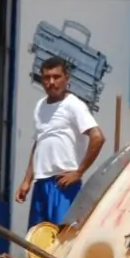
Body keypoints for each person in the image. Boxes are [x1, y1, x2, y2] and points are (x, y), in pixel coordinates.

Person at [16, 56, 105, 229]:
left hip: (64, 184)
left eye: (56, 77)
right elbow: (39, 143)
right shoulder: (40, 106)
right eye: (47, 78)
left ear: (66, 79)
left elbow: (98, 137)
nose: (51, 82)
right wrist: (27, 181)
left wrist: (78, 172)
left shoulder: (74, 105)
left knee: (62, 236)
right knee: (37, 238)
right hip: (41, 184)